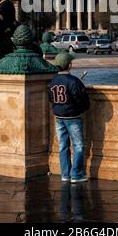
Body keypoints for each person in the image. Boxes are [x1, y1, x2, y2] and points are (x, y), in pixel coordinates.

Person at [48, 52, 90, 184]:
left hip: (59, 117)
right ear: (69, 65)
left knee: (63, 146)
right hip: (72, 117)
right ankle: (76, 174)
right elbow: (82, 100)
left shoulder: (52, 81)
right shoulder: (74, 81)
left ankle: (65, 174)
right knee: (78, 145)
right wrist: (82, 109)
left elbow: (51, 99)